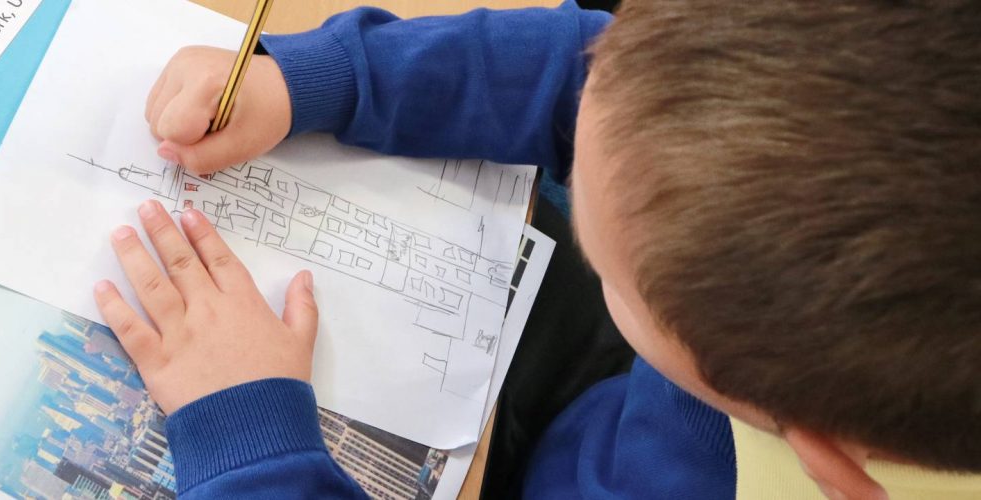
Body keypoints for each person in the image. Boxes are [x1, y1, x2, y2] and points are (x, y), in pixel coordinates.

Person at [93, 1, 981, 498]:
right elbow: (584, 75)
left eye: (610, 262)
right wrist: (321, 81)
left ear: (821, 458)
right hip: (604, 401)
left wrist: (250, 436)